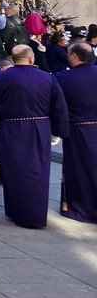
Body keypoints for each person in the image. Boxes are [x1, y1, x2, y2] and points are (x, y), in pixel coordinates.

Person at [0, 44, 68, 228]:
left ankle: (17, 210)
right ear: (32, 58)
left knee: (14, 169)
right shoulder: (47, 78)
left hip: (12, 127)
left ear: (13, 59)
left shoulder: (2, 77)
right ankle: (33, 212)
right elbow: (59, 106)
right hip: (39, 127)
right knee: (38, 169)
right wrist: (59, 131)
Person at [58, 41, 97, 223]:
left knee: (80, 169)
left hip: (78, 130)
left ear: (74, 56)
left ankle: (82, 207)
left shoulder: (64, 78)